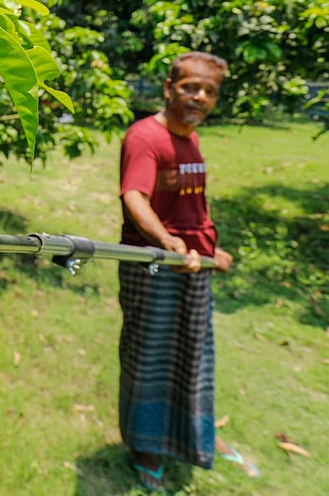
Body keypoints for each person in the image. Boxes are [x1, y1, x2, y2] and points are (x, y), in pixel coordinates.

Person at [116, 51, 259, 491]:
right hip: (155, 267)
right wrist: (167, 241)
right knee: (150, 361)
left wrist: (213, 249)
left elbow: (192, 204)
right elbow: (134, 197)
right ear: (168, 88)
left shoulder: (191, 139)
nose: (200, 97)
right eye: (190, 87)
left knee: (193, 358)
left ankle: (197, 436)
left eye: (210, 91)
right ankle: (145, 448)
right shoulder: (145, 137)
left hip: (194, 267)